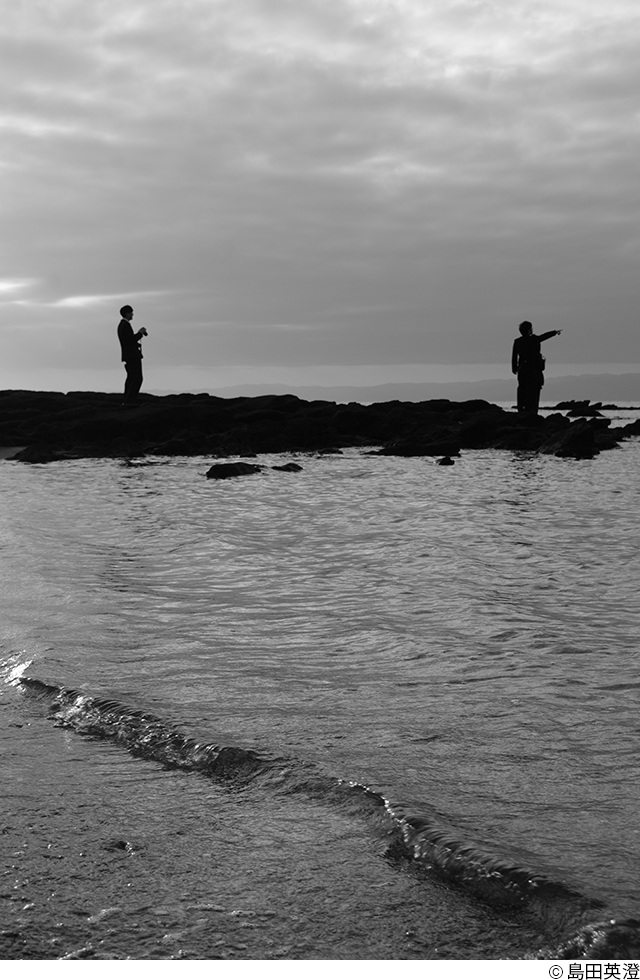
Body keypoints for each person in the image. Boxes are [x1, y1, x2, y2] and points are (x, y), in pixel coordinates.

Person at [511, 321, 562, 415]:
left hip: (522, 370)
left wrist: (514, 369)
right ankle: (532, 411)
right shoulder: (534, 339)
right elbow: (544, 336)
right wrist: (554, 332)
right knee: (533, 391)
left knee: (522, 389)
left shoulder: (517, 341)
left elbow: (514, 356)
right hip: (534, 370)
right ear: (529, 330)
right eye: (531, 328)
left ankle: (521, 409)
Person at [117, 305, 147, 405]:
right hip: (132, 355)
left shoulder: (122, 325)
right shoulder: (125, 325)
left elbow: (127, 340)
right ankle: (130, 400)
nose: (132, 314)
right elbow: (130, 340)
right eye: (131, 312)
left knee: (131, 377)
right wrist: (140, 333)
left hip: (128, 355)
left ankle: (127, 399)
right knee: (137, 378)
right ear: (127, 313)